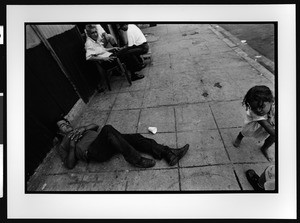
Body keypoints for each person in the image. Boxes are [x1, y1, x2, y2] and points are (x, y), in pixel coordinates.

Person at [54, 119, 189, 169]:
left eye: (66, 123)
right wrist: (72, 146)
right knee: (108, 129)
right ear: (60, 132)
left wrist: (83, 128)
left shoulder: (79, 129)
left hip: (108, 143)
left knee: (135, 138)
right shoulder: (63, 144)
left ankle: (168, 154)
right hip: (95, 152)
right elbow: (69, 164)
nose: (66, 126)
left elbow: (95, 125)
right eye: (62, 126)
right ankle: (136, 160)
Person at [233, 85, 275, 162]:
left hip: (269, 123)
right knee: (246, 132)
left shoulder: (273, 102)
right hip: (256, 124)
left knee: (272, 138)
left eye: (261, 107)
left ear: (271, 101)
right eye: (254, 108)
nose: (258, 110)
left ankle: (264, 148)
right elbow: (267, 126)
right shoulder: (255, 113)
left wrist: (271, 117)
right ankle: (240, 136)